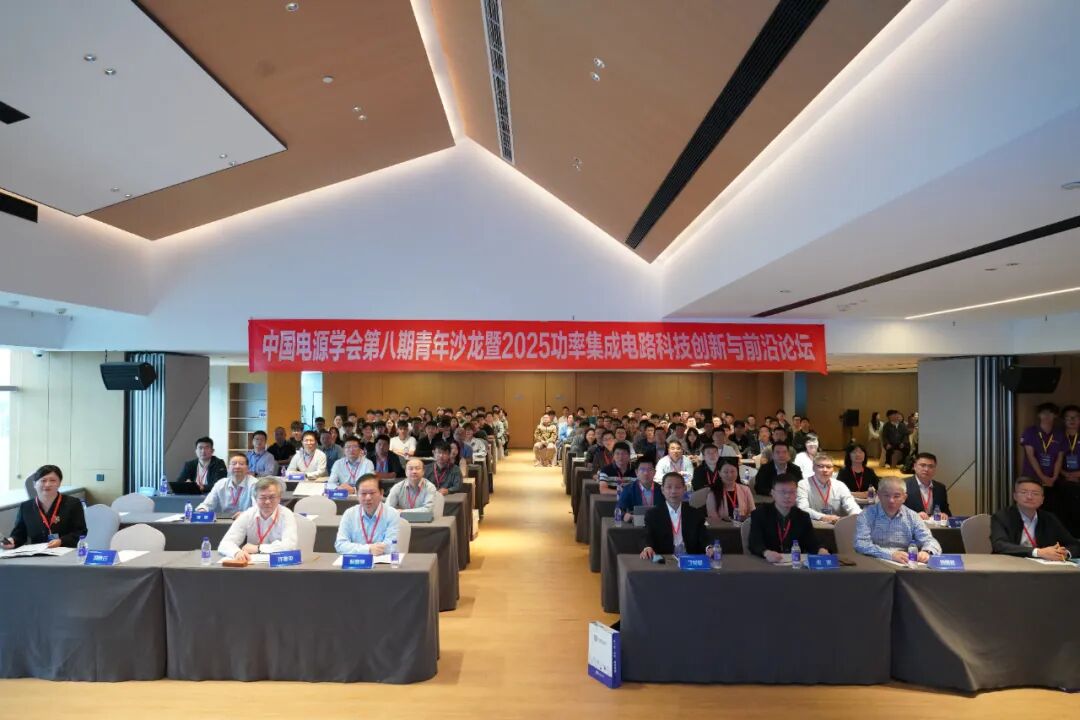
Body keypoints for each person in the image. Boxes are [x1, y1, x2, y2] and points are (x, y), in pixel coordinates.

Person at [854, 477, 942, 562]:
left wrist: (927, 552)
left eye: (896, 496)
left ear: (904, 498)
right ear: (879, 496)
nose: (891, 500)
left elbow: (930, 540)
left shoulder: (912, 516)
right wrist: (890, 555)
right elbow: (861, 544)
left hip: (904, 562)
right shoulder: (866, 515)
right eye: (886, 495)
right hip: (875, 563)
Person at [991, 477, 1080, 559]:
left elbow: (1075, 545)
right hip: (1010, 564)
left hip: (1042, 566)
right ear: (1015, 496)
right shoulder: (1001, 517)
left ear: (1042, 500)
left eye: (1035, 493)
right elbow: (999, 545)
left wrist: (1065, 553)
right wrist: (1038, 552)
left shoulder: (1049, 518)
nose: (1029, 497)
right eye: (1024, 492)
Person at [3, 465, 86, 549]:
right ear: (34, 484)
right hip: (38, 553)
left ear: (59, 483)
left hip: (66, 551)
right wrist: (12, 541)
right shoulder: (26, 507)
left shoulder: (73, 503)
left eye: (53, 480)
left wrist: (61, 541)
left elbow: (80, 532)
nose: (47, 484)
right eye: (43, 480)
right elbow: (19, 534)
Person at [747, 474, 826, 562]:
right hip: (766, 562)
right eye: (782, 492)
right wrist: (766, 553)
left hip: (795, 563)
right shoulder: (760, 513)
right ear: (773, 493)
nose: (787, 496)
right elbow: (754, 542)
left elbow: (812, 541)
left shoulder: (803, 516)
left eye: (792, 492)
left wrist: (820, 550)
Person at [218, 477, 299, 562]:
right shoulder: (248, 514)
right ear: (255, 499)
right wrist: (236, 553)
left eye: (272, 497)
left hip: (280, 564)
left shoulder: (287, 515)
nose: (267, 502)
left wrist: (259, 548)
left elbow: (290, 546)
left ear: (279, 498)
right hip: (252, 564)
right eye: (263, 497)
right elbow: (225, 543)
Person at [638, 472, 715, 560]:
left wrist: (709, 547)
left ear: (684, 489)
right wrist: (647, 547)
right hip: (665, 559)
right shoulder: (653, 514)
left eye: (678, 487)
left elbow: (704, 535)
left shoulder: (695, 513)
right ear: (662, 490)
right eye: (669, 487)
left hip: (690, 559)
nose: (673, 491)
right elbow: (646, 534)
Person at [334, 475, 401, 556]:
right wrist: (368, 549)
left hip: (382, 561)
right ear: (357, 495)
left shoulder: (392, 514)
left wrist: (360, 549)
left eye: (372, 493)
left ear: (381, 493)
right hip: (357, 562)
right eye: (363, 493)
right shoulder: (349, 514)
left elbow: (392, 545)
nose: (368, 497)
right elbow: (340, 545)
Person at [1020, 403, 1065, 518]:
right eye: (1044, 413)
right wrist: (1042, 477)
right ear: (1039, 415)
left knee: (1051, 512)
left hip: (1052, 481)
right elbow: (1031, 456)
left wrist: (1054, 477)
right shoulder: (1030, 432)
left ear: (1055, 416)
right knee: (1031, 510)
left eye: (1050, 413)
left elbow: (1059, 458)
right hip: (1032, 478)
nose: (1047, 416)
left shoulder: (1059, 434)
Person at [796, 455, 861, 523]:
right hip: (813, 526)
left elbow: (851, 504)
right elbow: (802, 508)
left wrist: (858, 515)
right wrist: (822, 517)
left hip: (837, 525)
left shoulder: (840, 485)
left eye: (829, 467)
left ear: (833, 469)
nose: (825, 470)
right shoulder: (803, 485)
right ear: (813, 468)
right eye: (821, 466)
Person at [903, 452, 951, 520]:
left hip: (934, 525)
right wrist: (914, 516)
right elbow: (895, 511)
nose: (926, 469)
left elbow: (946, 511)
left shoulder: (940, 488)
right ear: (915, 466)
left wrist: (944, 514)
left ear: (935, 469)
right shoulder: (903, 485)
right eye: (923, 465)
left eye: (931, 466)